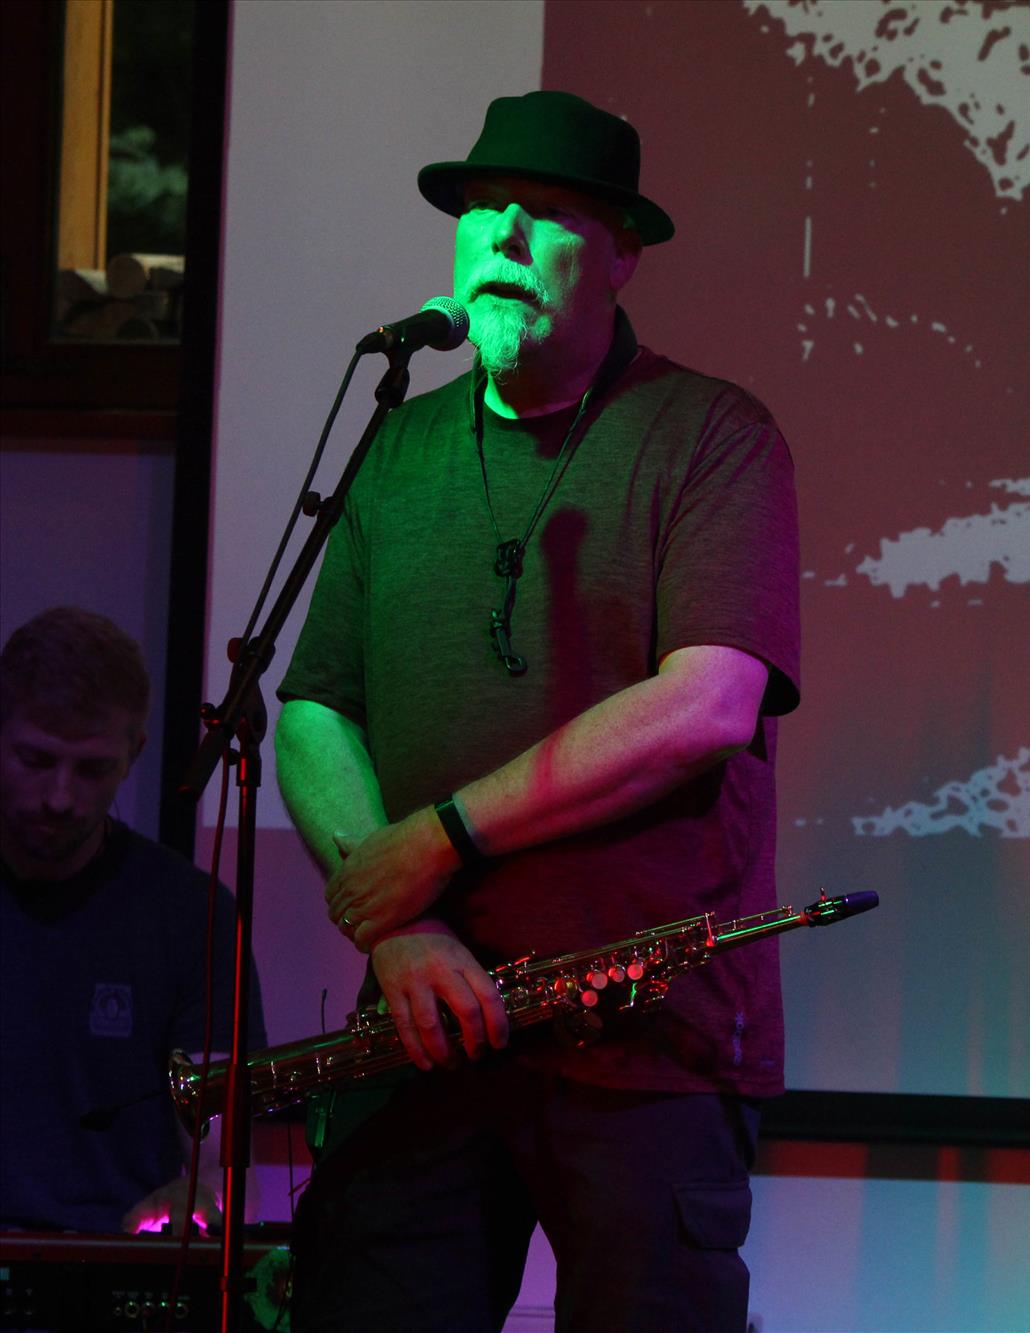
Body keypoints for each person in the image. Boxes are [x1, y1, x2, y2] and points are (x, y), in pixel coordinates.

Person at [273, 90, 801, 1333]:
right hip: (422, 1027)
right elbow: (310, 712)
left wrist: (440, 836)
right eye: (480, 210)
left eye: (546, 213)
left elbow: (707, 703)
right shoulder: (396, 447)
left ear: (621, 254)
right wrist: (398, 926)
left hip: (645, 1045)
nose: (500, 238)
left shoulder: (711, 434)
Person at [0, 607, 266, 1236]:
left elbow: (222, 1167)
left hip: (116, 1263)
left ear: (134, 754)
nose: (60, 798)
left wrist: (201, 1199)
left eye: (92, 769)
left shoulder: (189, 914)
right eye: (36, 760)